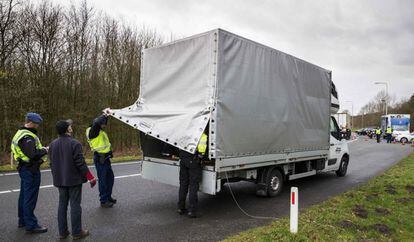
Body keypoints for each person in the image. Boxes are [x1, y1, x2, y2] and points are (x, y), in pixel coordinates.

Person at [49, 120, 97, 240]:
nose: (71, 127)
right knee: (75, 205)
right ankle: (77, 232)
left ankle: (63, 232)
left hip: (60, 180)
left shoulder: (52, 144)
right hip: (74, 180)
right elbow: (80, 163)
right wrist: (90, 177)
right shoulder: (75, 143)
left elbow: (52, 163)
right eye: (70, 126)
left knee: (62, 205)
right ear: (68, 129)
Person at [10, 112, 48, 233]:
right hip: (30, 169)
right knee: (30, 197)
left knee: (24, 196)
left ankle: (23, 220)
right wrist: (45, 150)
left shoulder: (20, 133)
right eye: (36, 124)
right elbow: (32, 154)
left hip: (24, 168)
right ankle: (31, 225)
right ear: (30, 123)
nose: (37, 126)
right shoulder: (27, 136)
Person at [86, 109, 116, 207]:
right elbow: (97, 122)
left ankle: (108, 196)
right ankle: (103, 200)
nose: (104, 125)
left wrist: (109, 152)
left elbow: (104, 144)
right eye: (103, 124)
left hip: (106, 158)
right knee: (103, 180)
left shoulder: (100, 131)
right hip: (100, 159)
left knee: (110, 178)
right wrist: (105, 115)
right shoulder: (93, 131)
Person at [177, 131, 207, 218]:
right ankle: (192, 211)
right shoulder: (202, 135)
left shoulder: (185, 132)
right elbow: (201, 151)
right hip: (193, 161)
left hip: (183, 160)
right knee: (193, 186)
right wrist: (201, 157)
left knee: (183, 184)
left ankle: (180, 208)